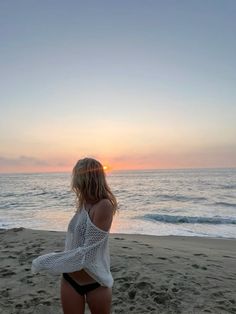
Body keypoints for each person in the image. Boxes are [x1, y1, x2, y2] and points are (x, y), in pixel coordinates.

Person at [31, 157, 117, 314]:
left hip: (95, 281)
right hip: (70, 280)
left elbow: (88, 254)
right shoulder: (83, 204)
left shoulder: (104, 206)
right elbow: (74, 243)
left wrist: (48, 260)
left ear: (86, 177)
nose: (74, 180)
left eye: (77, 174)